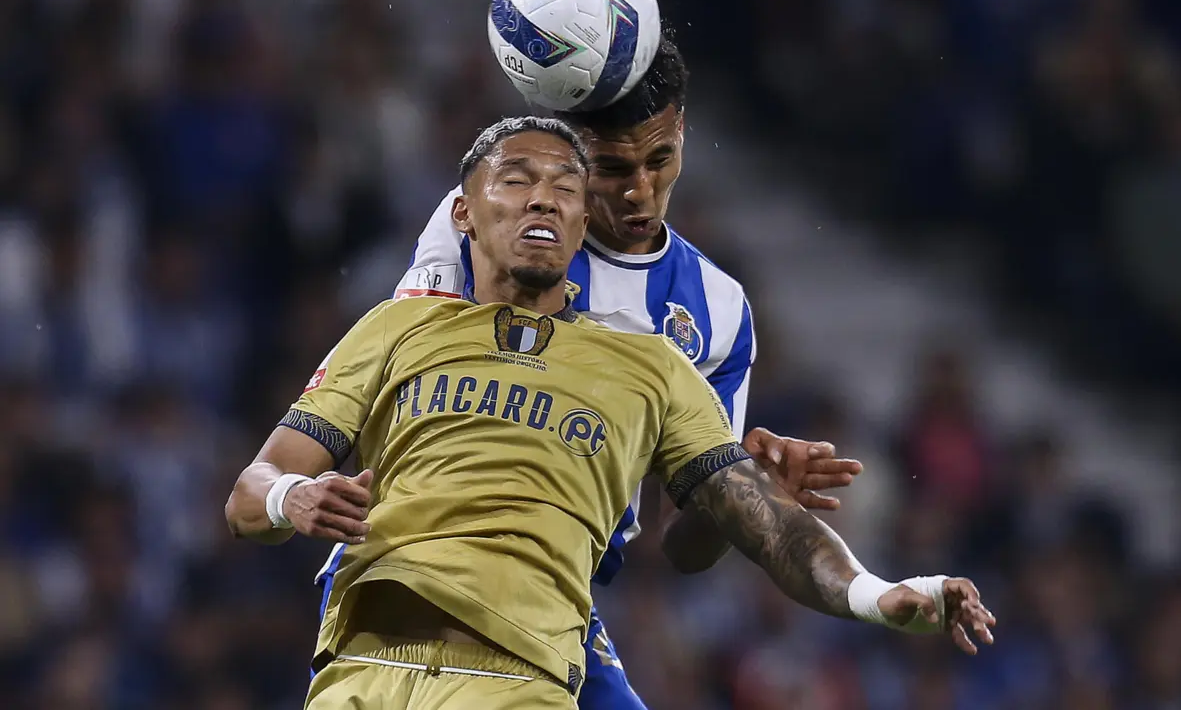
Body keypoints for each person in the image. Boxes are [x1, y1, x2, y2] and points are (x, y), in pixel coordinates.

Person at [226, 118, 995, 710]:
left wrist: (879, 595)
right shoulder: (397, 328)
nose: (543, 198)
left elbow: (768, 524)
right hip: (359, 674)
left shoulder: (648, 367)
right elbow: (249, 493)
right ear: (463, 213)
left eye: (566, 187)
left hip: (516, 684)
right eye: (516, 180)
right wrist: (295, 497)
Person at [381, 30, 863, 708]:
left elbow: (683, 547)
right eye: (612, 169)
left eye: (659, 160)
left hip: (558, 601)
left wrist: (744, 491)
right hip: (423, 563)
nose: (641, 190)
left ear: (683, 133)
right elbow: (398, 376)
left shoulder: (718, 308)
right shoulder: (487, 225)